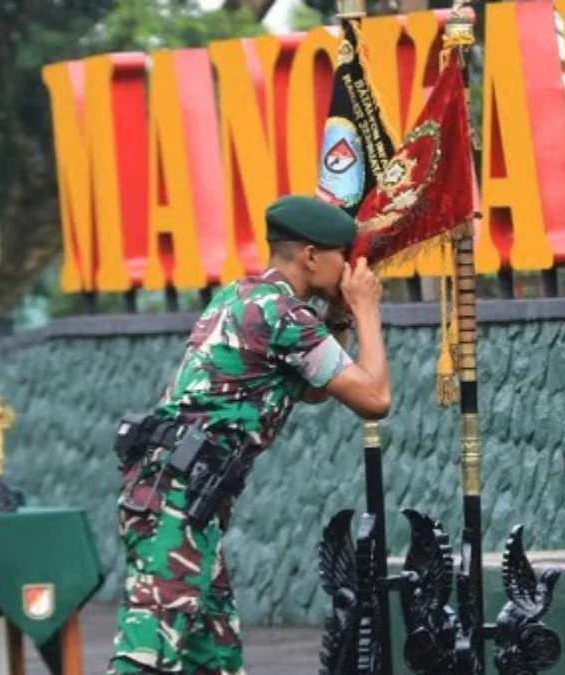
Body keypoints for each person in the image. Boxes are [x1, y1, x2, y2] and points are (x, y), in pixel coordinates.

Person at [106, 195, 391, 674]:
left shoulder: (245, 297)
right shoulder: (283, 316)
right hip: (178, 496)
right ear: (311, 256)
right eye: (343, 255)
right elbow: (374, 399)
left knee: (214, 658)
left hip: (183, 494)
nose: (348, 268)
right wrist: (366, 311)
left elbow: (317, 388)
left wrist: (338, 316)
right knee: (146, 656)